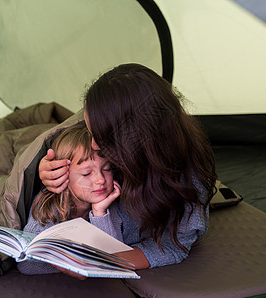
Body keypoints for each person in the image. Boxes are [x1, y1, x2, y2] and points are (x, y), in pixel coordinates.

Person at [38, 63, 217, 273]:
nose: (94, 145)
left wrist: (97, 262)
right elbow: (67, 151)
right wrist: (46, 170)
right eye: (90, 131)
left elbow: (174, 246)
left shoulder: (189, 183)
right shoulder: (103, 130)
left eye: (102, 138)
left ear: (134, 142)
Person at [18, 123, 122, 275]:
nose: (100, 179)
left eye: (106, 169)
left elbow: (116, 257)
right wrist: (70, 263)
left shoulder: (110, 205)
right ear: (62, 176)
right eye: (86, 174)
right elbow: (26, 264)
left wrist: (100, 213)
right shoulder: (47, 207)